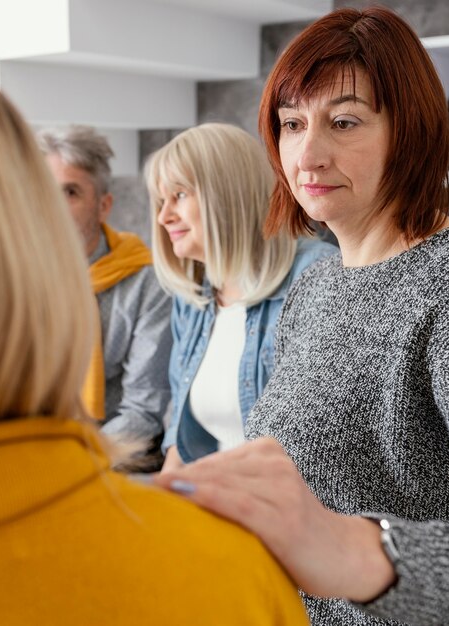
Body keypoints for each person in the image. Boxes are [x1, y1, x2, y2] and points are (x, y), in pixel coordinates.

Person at [0, 58, 310, 626]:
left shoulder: (307, 285)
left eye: (68, 191)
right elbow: (178, 429)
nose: (163, 216)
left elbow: (152, 412)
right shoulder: (192, 292)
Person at [156, 6, 449, 626]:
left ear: (408, 130)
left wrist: (352, 549)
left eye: (344, 122)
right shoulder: (320, 282)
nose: (307, 155)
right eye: (292, 123)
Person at [144, 123, 336, 468]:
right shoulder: (193, 296)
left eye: (180, 195)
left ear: (227, 193)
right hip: (221, 494)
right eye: (161, 200)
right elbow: (179, 439)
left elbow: (320, 443)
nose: (163, 216)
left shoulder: (316, 276)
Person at [37, 125, 172, 455]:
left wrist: (71, 463)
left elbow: (142, 412)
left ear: (104, 206)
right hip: (33, 447)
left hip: (117, 454)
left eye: (70, 193)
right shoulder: (16, 277)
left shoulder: (147, 282)